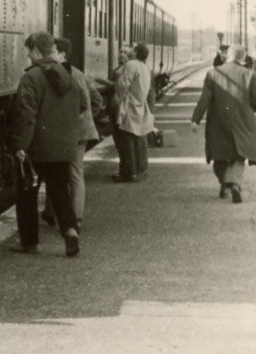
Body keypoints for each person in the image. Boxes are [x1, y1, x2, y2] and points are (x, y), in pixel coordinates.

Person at [11, 32, 84, 257]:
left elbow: (26, 115)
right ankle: (70, 232)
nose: (27, 55)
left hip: (36, 147)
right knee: (59, 191)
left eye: (28, 51)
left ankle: (30, 243)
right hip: (62, 147)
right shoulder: (67, 73)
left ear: (35, 51)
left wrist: (21, 146)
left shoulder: (31, 77)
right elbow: (82, 105)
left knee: (26, 195)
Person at [190, 44, 256, 203]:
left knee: (219, 156)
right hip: (243, 121)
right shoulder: (251, 74)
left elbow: (204, 100)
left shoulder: (212, 74)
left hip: (218, 121)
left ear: (227, 56)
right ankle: (235, 184)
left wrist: (195, 120)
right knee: (239, 155)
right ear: (243, 58)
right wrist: (248, 110)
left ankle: (226, 183)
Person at [42, 38, 102, 232]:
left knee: (63, 170)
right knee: (71, 171)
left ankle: (70, 216)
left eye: (52, 53)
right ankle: (69, 216)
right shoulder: (79, 73)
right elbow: (97, 100)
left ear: (62, 55)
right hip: (81, 130)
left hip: (69, 130)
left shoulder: (62, 74)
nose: (48, 56)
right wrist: (88, 119)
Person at [110, 43, 155, 182]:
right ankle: (139, 170)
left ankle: (128, 173)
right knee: (136, 138)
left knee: (126, 140)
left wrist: (115, 101)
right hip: (140, 104)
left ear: (135, 52)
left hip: (128, 105)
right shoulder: (145, 67)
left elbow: (123, 85)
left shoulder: (131, 65)